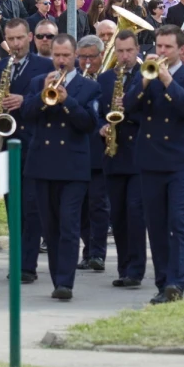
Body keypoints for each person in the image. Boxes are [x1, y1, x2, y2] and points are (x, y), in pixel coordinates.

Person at [125, 25, 184, 304]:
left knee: (179, 222)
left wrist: (167, 80)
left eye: (167, 47)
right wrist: (145, 84)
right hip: (150, 160)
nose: (160, 52)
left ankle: (177, 283)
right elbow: (127, 107)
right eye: (158, 46)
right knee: (156, 225)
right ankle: (163, 282)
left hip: (181, 162)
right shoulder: (143, 75)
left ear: (181, 50)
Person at [19, 33, 100, 300]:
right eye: (57, 55)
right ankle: (57, 279)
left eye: (66, 55)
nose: (61, 61)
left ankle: (65, 282)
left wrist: (67, 102)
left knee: (69, 224)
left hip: (73, 167)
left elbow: (88, 124)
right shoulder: (37, 83)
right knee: (50, 226)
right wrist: (43, 95)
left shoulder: (89, 88)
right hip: (41, 165)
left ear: (75, 56)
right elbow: (27, 117)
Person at [0, 18, 54, 283]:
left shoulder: (46, 66)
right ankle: (17, 261)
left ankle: (27, 266)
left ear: (29, 37)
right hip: (5, 145)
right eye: (10, 39)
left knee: (31, 206)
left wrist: (26, 100)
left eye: (19, 38)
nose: (15, 44)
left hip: (34, 143)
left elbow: (52, 102)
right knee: (11, 205)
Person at [98, 29, 147, 287]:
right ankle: (123, 267)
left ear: (137, 50)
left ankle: (136, 270)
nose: (124, 56)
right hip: (113, 155)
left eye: (129, 51)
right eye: (120, 51)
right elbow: (96, 111)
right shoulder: (106, 79)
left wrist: (128, 105)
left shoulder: (146, 76)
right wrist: (101, 127)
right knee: (117, 215)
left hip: (139, 155)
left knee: (135, 213)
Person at [75, 36, 109, 272]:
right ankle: (88, 249)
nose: (87, 62)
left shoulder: (108, 80)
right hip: (77, 151)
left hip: (100, 151)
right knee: (80, 207)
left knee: (98, 205)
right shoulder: (74, 82)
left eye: (91, 57)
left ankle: (97, 253)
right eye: (82, 57)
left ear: (101, 56)